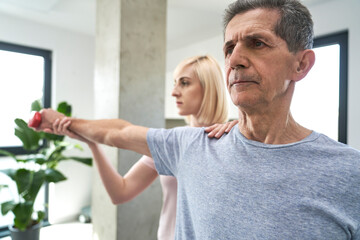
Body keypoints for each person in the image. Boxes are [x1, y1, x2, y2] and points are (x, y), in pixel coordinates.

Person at [34, 0, 360, 239]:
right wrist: (70, 124)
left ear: (300, 65)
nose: (235, 60)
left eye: (257, 43)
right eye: (229, 48)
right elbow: (119, 132)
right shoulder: (189, 143)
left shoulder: (349, 173)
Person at [50, 55, 237, 240]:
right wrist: (93, 144)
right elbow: (120, 192)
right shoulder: (170, 144)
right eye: (175, 83)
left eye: (185, 83)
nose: (174, 92)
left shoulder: (233, 139)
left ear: (209, 89)